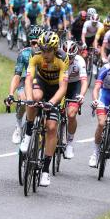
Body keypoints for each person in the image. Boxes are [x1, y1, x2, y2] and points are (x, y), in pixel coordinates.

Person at [19, 31, 68, 187]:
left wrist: (52, 103)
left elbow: (63, 87)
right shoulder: (36, 55)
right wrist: (28, 98)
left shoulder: (62, 59)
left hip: (55, 90)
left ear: (55, 49)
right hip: (41, 83)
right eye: (43, 49)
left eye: (49, 50)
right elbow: (28, 79)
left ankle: (45, 170)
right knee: (34, 97)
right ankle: (28, 134)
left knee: (52, 127)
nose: (45, 54)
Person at [4, 25, 44, 144]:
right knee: (23, 100)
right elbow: (17, 75)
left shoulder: (48, 55)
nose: (36, 46)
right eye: (33, 43)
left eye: (38, 43)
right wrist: (10, 94)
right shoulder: (24, 54)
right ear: (29, 42)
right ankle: (18, 125)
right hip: (26, 80)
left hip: (42, 82)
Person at [61, 40, 87, 159]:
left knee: (71, 114)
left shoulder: (80, 61)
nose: (68, 59)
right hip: (60, 85)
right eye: (66, 56)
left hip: (74, 86)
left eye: (71, 57)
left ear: (75, 55)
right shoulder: (58, 58)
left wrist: (81, 95)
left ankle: (70, 143)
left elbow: (84, 80)